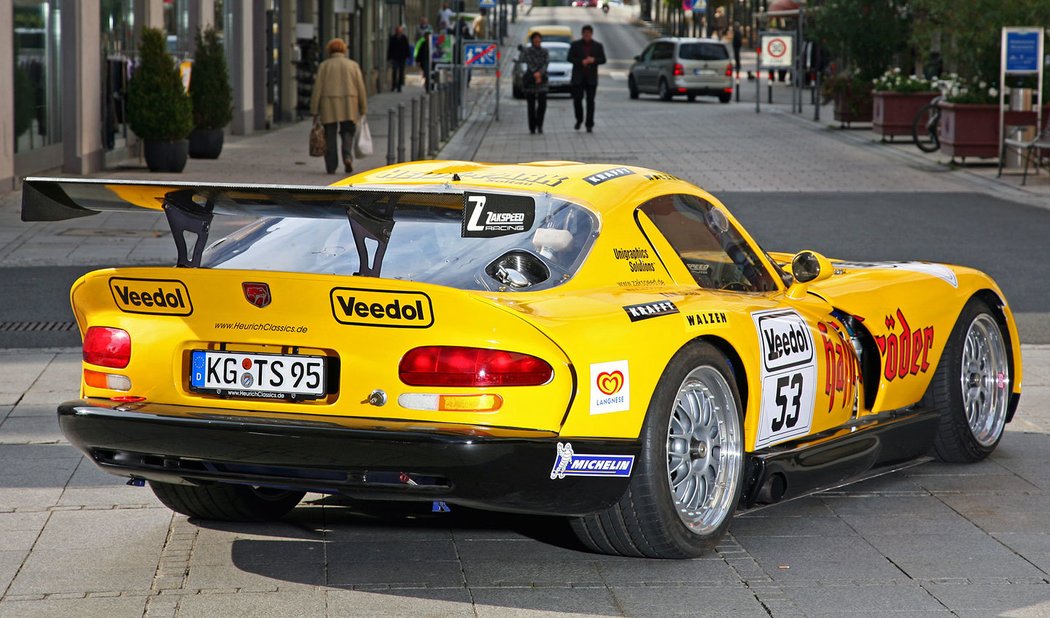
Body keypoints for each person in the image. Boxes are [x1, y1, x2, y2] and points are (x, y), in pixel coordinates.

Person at [310, 38, 368, 175]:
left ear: (329, 50)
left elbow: (317, 88)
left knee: (329, 135)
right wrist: (363, 108)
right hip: (349, 105)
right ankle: (347, 157)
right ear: (344, 50)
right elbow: (361, 88)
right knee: (347, 132)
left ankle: (331, 166)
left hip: (329, 105)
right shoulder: (353, 65)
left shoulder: (324, 66)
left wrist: (314, 110)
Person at [567, 25, 606, 133]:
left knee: (590, 101)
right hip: (578, 78)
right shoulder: (575, 45)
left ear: (591, 34)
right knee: (577, 100)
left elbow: (603, 59)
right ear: (582, 34)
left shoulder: (598, 46)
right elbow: (569, 58)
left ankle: (589, 124)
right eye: (585, 33)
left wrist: (593, 60)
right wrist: (581, 61)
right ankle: (579, 119)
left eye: (588, 33)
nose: (587, 35)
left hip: (591, 78)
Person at [520, 31, 549, 135]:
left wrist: (540, 74)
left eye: (539, 38)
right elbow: (526, 62)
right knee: (531, 105)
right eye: (535, 38)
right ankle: (532, 127)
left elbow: (546, 64)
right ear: (532, 40)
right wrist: (534, 74)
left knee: (542, 104)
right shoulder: (527, 51)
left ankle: (540, 124)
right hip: (530, 80)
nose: (537, 40)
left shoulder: (545, 51)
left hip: (542, 80)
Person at [387, 25, 410, 92]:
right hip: (395, 57)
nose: (399, 32)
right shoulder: (393, 38)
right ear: (396, 31)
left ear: (402, 31)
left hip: (402, 57)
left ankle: (399, 86)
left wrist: (407, 56)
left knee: (401, 72)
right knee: (394, 71)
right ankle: (394, 85)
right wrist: (389, 57)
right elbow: (390, 48)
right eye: (397, 30)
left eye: (400, 31)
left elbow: (407, 47)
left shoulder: (404, 38)